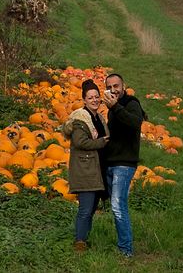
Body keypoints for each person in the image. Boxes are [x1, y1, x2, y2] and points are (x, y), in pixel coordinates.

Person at [101, 72, 146, 258]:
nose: (113, 90)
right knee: (119, 205)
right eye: (109, 87)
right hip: (112, 162)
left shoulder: (131, 103)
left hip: (124, 164)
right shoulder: (112, 108)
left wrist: (116, 107)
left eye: (116, 86)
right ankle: (124, 244)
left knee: (118, 205)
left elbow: (135, 122)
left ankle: (125, 250)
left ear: (123, 86)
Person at [62, 79, 109, 252]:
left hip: (96, 169)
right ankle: (79, 241)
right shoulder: (80, 119)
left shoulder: (98, 117)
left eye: (97, 97)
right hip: (85, 170)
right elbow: (80, 142)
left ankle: (84, 239)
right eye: (91, 97)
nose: (95, 100)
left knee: (91, 208)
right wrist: (101, 142)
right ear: (84, 100)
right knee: (85, 209)